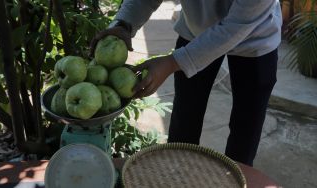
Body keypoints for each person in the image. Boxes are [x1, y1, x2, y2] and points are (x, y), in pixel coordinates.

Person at [92, 0, 282, 166]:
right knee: (185, 119)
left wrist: (172, 63)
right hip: (195, 32)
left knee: (246, 129)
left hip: (256, 37)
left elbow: (236, 25)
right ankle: (177, 174)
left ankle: (239, 178)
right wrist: (123, 24)